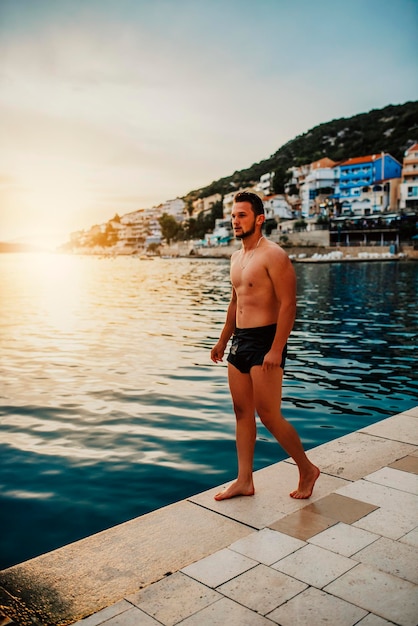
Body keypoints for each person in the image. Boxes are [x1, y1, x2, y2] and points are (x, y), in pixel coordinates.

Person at [210, 191, 319, 501]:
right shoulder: (236, 257)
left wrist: (276, 348)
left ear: (259, 219)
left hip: (266, 341)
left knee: (269, 415)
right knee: (242, 412)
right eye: (233, 216)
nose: (235, 221)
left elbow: (288, 305)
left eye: (241, 215)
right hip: (240, 341)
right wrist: (222, 340)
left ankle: (307, 469)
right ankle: (244, 480)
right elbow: (235, 302)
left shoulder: (274, 255)